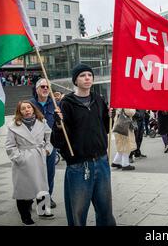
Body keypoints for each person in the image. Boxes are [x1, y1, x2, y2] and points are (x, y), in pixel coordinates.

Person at [52, 63, 116, 226]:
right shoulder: (66, 103)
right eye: (82, 75)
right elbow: (58, 141)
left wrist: (111, 116)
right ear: (75, 80)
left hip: (102, 161)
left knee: (105, 210)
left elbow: (105, 129)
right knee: (78, 213)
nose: (87, 78)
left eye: (89, 75)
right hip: (79, 165)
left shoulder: (98, 99)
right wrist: (59, 125)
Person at [5, 100, 54, 225]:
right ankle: (25, 216)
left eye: (29, 107)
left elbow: (50, 137)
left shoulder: (42, 122)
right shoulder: (14, 125)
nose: (27, 110)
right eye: (23, 108)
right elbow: (10, 146)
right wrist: (19, 158)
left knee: (41, 185)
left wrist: (47, 150)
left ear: (33, 109)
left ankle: (43, 211)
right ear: (19, 112)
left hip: (38, 156)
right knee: (23, 189)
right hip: (23, 160)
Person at [31, 78, 58, 209]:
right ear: (37, 90)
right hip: (33, 146)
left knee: (49, 172)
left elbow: (60, 124)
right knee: (34, 173)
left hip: (50, 144)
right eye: (42, 87)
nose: (46, 89)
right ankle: (30, 196)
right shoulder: (29, 104)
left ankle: (47, 197)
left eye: (48, 87)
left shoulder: (55, 104)